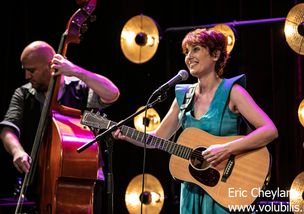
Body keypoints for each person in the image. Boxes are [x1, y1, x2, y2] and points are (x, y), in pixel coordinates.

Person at [112, 28, 278, 213]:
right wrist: (125, 134)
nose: (189, 57)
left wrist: (226, 149)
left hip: (225, 187)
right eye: (186, 52)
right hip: (192, 192)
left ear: (215, 55)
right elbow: (157, 138)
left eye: (196, 49)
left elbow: (269, 130)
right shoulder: (183, 96)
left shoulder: (233, 91)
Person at [0, 40, 120, 213]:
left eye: (31, 70)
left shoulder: (80, 88)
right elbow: (8, 130)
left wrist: (77, 71)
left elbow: (112, 94)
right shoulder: (23, 93)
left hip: (85, 182)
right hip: (41, 184)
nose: (27, 76)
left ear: (50, 66)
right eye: (25, 70)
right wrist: (17, 151)